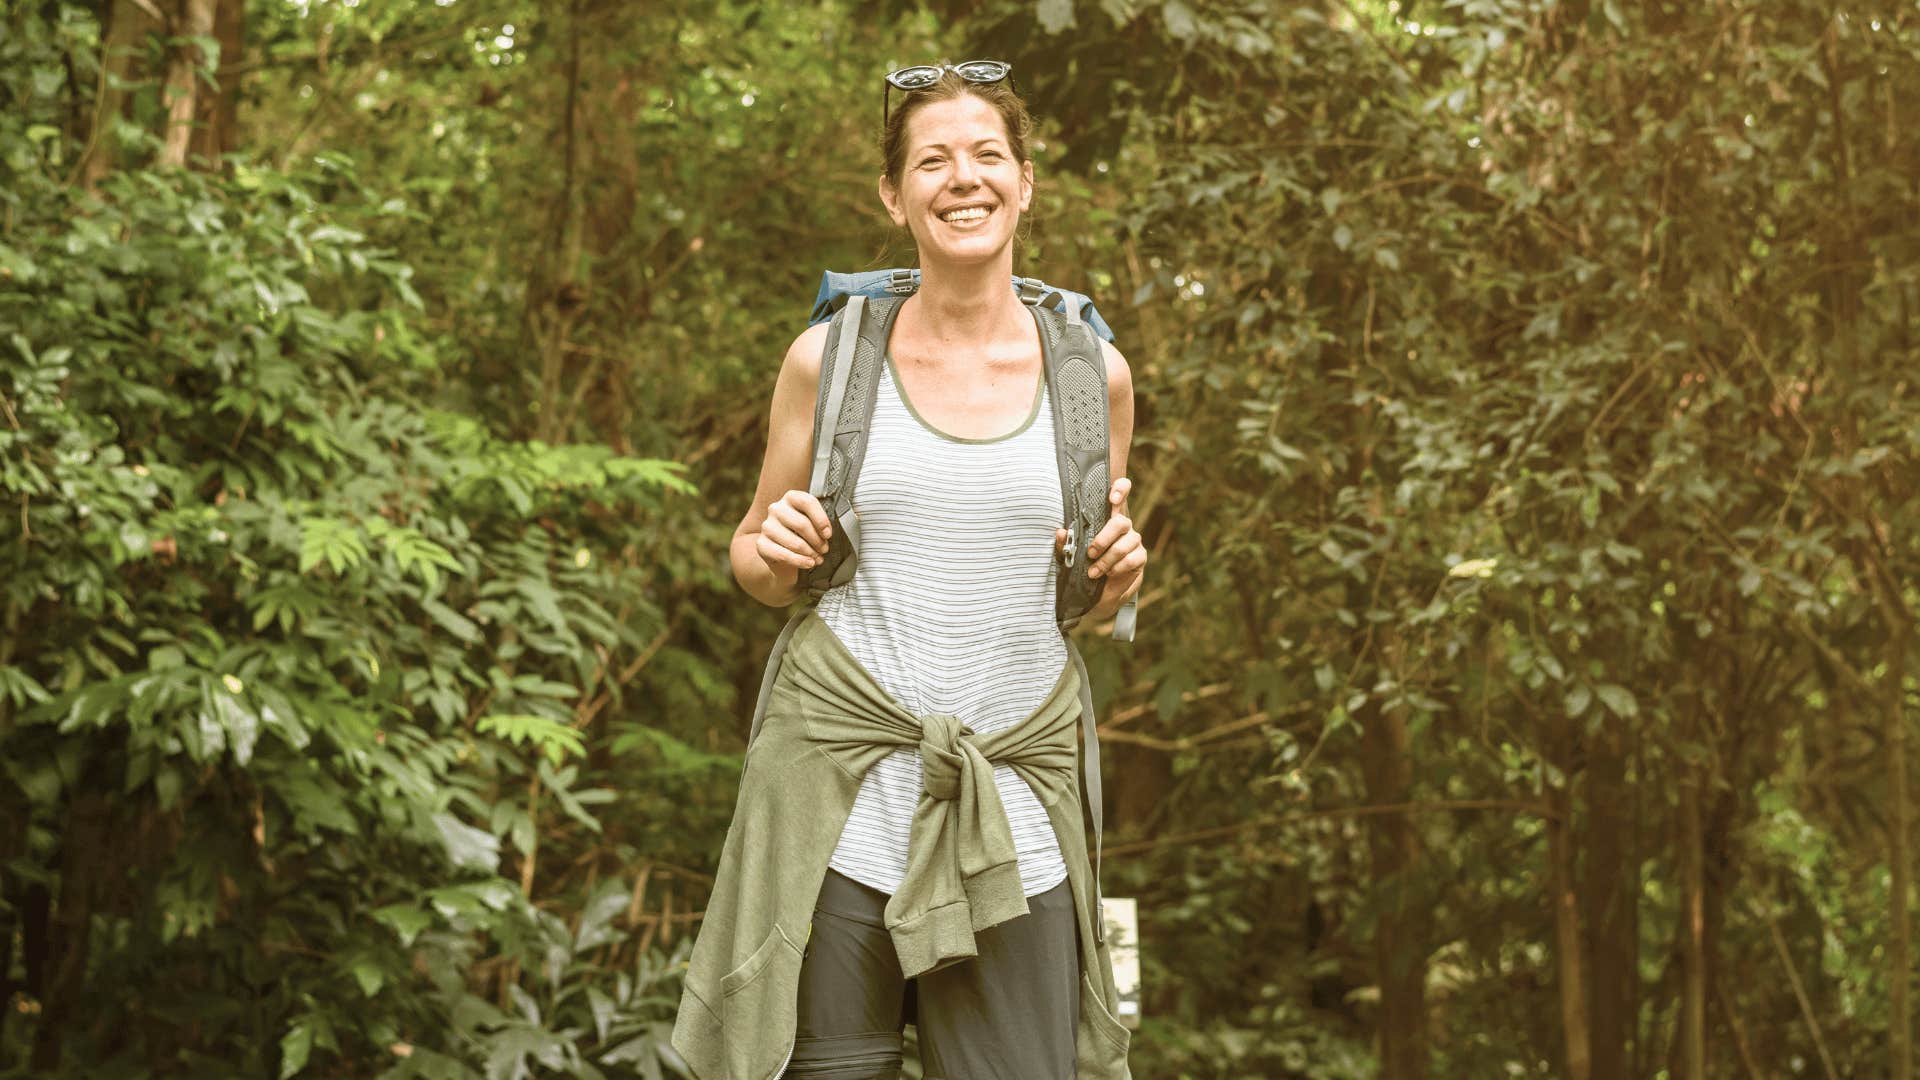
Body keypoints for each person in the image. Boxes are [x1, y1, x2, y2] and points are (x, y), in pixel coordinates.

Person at [670, 61, 1145, 1080]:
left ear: (1024, 181)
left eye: (986, 155)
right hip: (842, 797)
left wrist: (1118, 576)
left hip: (1014, 796)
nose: (961, 178)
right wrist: (777, 547)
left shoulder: (1092, 375)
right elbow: (753, 557)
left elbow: (1090, 606)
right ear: (894, 196)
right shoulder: (828, 360)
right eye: (932, 160)